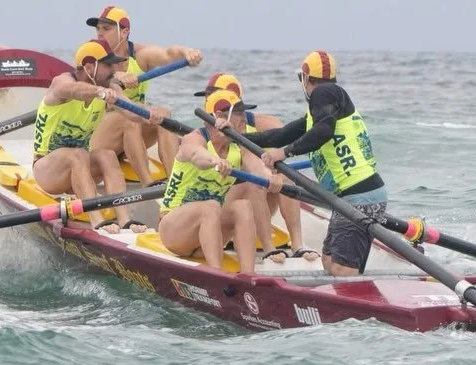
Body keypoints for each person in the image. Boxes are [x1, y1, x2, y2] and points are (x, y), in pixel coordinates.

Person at [238, 51, 385, 276]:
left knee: (341, 268)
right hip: (349, 197)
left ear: (306, 78)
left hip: (359, 196)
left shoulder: (324, 93)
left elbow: (323, 132)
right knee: (328, 261)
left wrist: (285, 153)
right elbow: (278, 135)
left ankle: (361, 308)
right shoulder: (324, 108)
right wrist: (235, 137)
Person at [32, 38, 167, 234]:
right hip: (47, 170)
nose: (114, 70)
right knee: (77, 154)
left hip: (81, 169)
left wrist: (149, 114)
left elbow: (132, 113)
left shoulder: (110, 87)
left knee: (107, 155)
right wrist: (99, 92)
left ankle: (124, 219)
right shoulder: (61, 83)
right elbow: (74, 90)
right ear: (89, 67)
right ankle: (96, 220)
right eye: (108, 65)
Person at [194, 73, 319, 262]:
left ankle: (297, 244)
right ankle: (268, 247)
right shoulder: (204, 134)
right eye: (208, 96)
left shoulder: (262, 123)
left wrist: (273, 168)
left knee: (284, 176)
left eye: (212, 95)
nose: (208, 100)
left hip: (252, 198)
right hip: (220, 206)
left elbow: (280, 143)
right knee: (255, 183)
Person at [157, 90, 283, 274]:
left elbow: (257, 168)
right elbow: (197, 156)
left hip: (210, 234)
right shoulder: (194, 139)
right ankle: (217, 275)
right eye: (239, 114)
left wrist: (270, 177)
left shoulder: (238, 147)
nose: (243, 119)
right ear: (220, 117)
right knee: (210, 206)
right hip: (174, 231)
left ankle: (249, 276)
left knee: (242, 207)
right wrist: (216, 162)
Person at [85, 6, 202, 185]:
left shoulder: (140, 55)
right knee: (129, 117)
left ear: (124, 33)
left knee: (163, 113)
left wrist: (187, 52)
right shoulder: (91, 55)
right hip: (99, 138)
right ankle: (148, 184)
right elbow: (92, 80)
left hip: (133, 137)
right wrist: (116, 77)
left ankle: (174, 184)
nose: (100, 34)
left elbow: (168, 54)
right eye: (98, 29)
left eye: (106, 29)